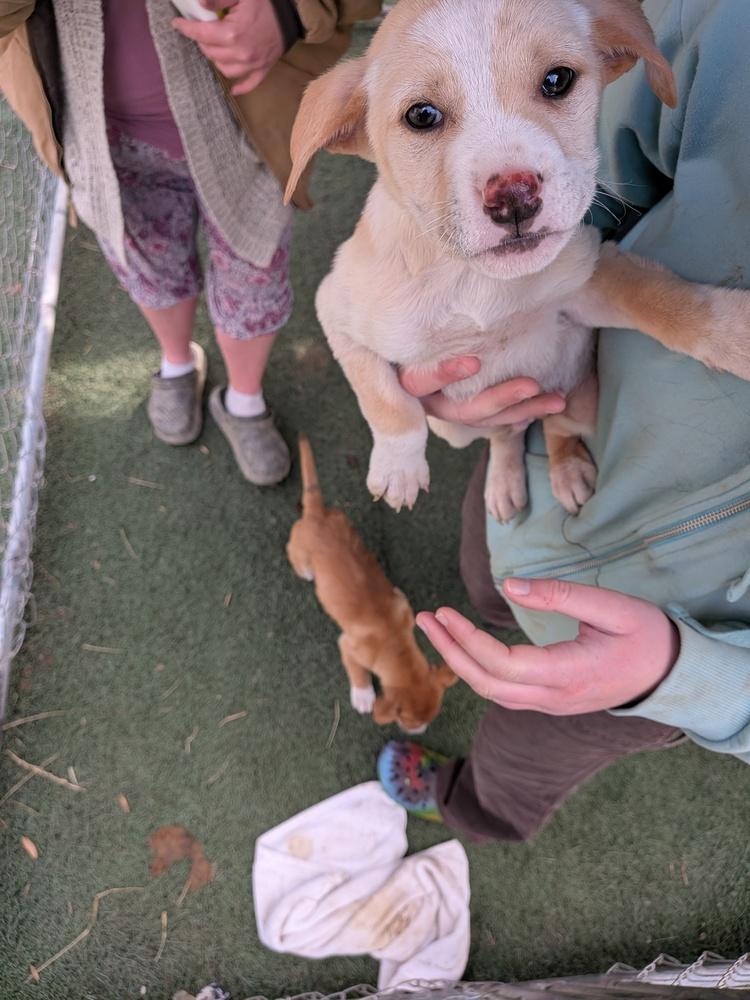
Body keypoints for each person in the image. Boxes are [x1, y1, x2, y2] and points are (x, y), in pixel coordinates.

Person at [377, 0, 750, 840]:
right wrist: (472, 348)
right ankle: (496, 599)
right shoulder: (730, 34)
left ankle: (466, 801)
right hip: (553, 441)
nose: (508, 184)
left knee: (525, 745)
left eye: (553, 82)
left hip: (680, 634)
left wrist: (681, 672)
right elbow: (605, 192)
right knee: (485, 570)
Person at [0, 0, 378, 484]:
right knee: (150, 268)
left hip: (245, 130)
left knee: (254, 280)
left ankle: (244, 398)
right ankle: (177, 363)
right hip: (101, 138)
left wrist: (288, 13)